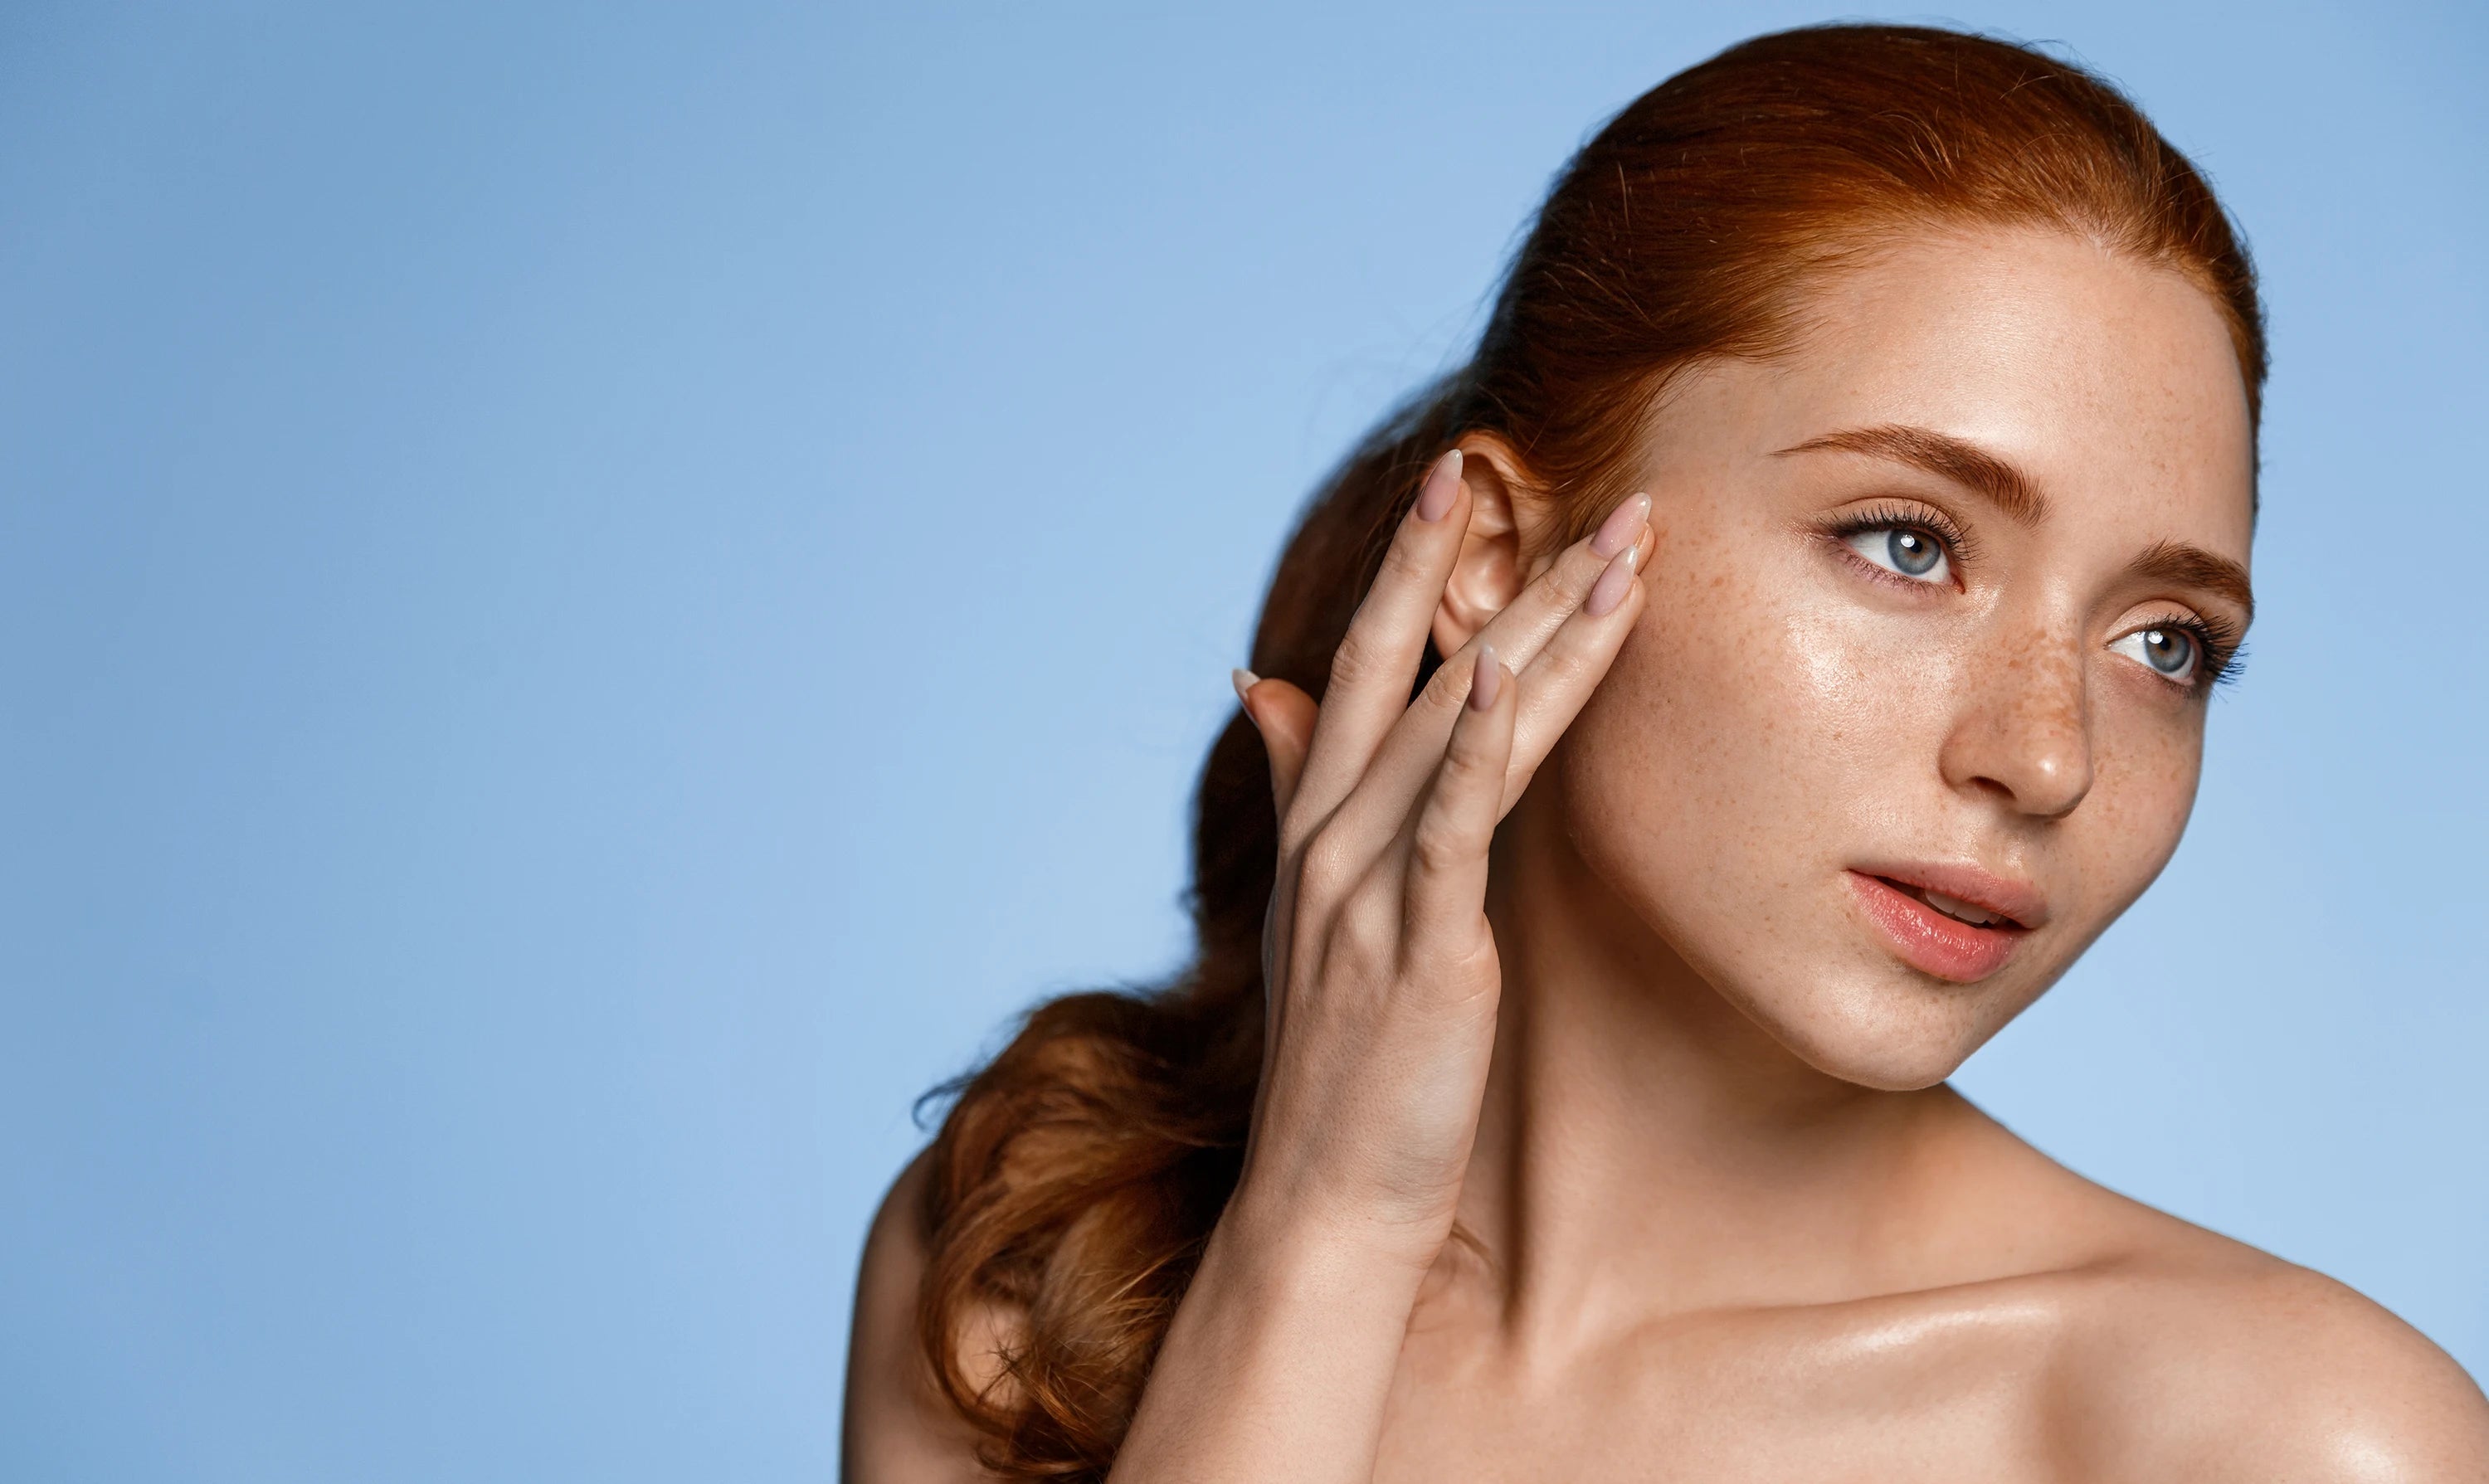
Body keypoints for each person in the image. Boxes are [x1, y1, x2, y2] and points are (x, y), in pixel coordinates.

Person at [844, 22, 2489, 1482]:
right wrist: (1322, 1227)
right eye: (1908, 543)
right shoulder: (1041, 1263)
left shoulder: (2289, 1441)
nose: (2048, 758)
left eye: (2165, 641)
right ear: (1499, 552)